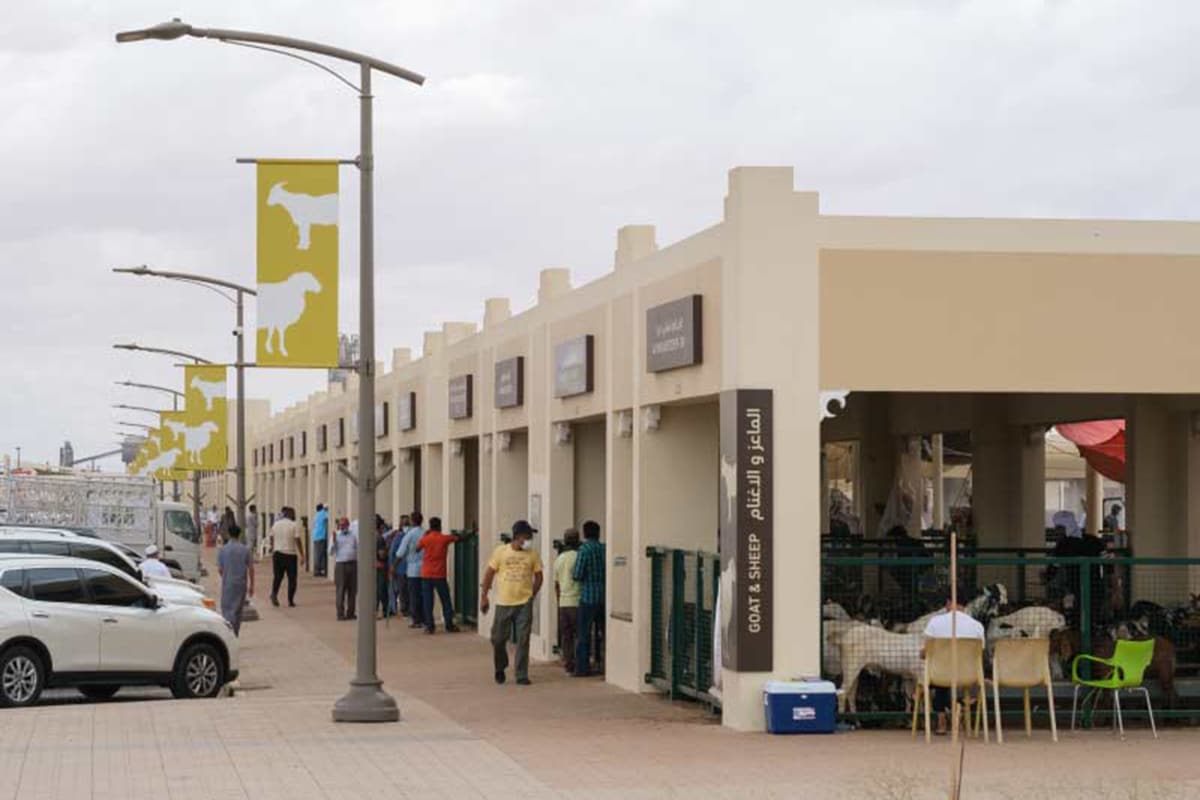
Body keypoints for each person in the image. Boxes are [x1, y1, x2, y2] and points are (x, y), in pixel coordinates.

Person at [481, 520, 543, 685]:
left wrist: (532, 594)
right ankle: (500, 666)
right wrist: (484, 596)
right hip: (504, 602)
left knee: (523, 639)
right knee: (498, 639)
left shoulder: (533, 554)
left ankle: (521, 674)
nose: (529, 539)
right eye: (527, 536)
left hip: (524, 603)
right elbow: (489, 574)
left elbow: (539, 577)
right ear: (518, 537)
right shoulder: (501, 552)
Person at [921, 600, 986, 735]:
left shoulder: (935, 622)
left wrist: (922, 653)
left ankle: (942, 720)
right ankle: (958, 708)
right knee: (949, 673)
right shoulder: (977, 625)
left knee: (939, 676)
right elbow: (980, 652)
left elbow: (926, 652)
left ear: (948, 603)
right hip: (968, 675)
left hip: (941, 675)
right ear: (965, 605)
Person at [416, 517, 468, 633]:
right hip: (439, 575)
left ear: (430, 526)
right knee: (445, 600)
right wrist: (471, 533)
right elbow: (459, 538)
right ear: (439, 526)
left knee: (428, 601)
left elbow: (417, 549)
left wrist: (425, 536)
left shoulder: (426, 539)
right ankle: (449, 625)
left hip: (426, 574)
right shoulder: (444, 538)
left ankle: (430, 627)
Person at [573, 519, 606, 676]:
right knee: (603, 632)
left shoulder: (584, 549)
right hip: (604, 596)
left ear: (584, 534)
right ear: (598, 533)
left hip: (588, 596)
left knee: (584, 633)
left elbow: (577, 574)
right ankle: (603, 664)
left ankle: (582, 668)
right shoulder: (604, 548)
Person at [216, 524, 254, 636]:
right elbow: (251, 569)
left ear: (228, 534)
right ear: (239, 534)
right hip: (241, 583)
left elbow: (220, 569)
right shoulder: (245, 549)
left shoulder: (223, 550)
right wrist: (252, 585)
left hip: (228, 583)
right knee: (237, 609)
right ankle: (235, 632)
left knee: (227, 608)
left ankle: (228, 631)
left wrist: (225, 577)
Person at [553, 529, 581, 673]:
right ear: (578, 541)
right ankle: (579, 662)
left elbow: (556, 584)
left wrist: (559, 601)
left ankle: (568, 662)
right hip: (577, 601)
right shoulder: (579, 556)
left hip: (564, 603)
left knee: (566, 636)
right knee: (579, 634)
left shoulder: (559, 559)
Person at [395, 512, 426, 629]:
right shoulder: (425, 533)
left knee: (414, 596)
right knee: (424, 595)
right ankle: (425, 618)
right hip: (425, 569)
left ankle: (416, 620)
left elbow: (400, 553)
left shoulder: (409, 535)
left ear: (412, 521)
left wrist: (394, 567)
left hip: (413, 570)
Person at [268, 506, 304, 607]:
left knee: (278, 577)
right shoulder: (293, 525)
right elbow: (297, 540)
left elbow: (271, 536)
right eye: (293, 513)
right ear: (290, 514)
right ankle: (290, 600)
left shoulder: (276, 524)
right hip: (290, 554)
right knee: (292, 578)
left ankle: (274, 594)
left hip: (278, 553)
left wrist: (273, 546)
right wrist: (302, 554)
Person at [331, 516, 358, 620]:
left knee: (352, 590)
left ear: (348, 525)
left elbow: (357, 547)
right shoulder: (335, 535)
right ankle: (340, 614)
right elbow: (331, 552)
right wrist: (334, 542)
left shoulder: (353, 535)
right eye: (341, 525)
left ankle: (351, 613)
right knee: (341, 590)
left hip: (353, 563)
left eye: (344, 525)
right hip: (341, 565)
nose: (342, 527)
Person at [389, 514, 412, 617]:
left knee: (410, 590)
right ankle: (404, 609)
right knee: (402, 590)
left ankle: (411, 609)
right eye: (405, 523)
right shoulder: (398, 537)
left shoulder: (411, 534)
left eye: (408, 522)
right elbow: (393, 552)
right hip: (401, 568)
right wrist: (392, 566)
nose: (406, 525)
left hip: (411, 568)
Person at [375, 515, 392, 619]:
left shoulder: (368, 536)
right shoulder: (379, 538)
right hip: (380, 566)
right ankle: (385, 610)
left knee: (376, 589)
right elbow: (382, 554)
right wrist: (388, 549)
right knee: (382, 589)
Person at [312, 503, 330, 577]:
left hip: (316, 536)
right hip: (321, 536)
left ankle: (318, 570)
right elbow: (327, 520)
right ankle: (318, 571)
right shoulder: (324, 513)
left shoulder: (316, 515)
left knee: (317, 554)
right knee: (321, 554)